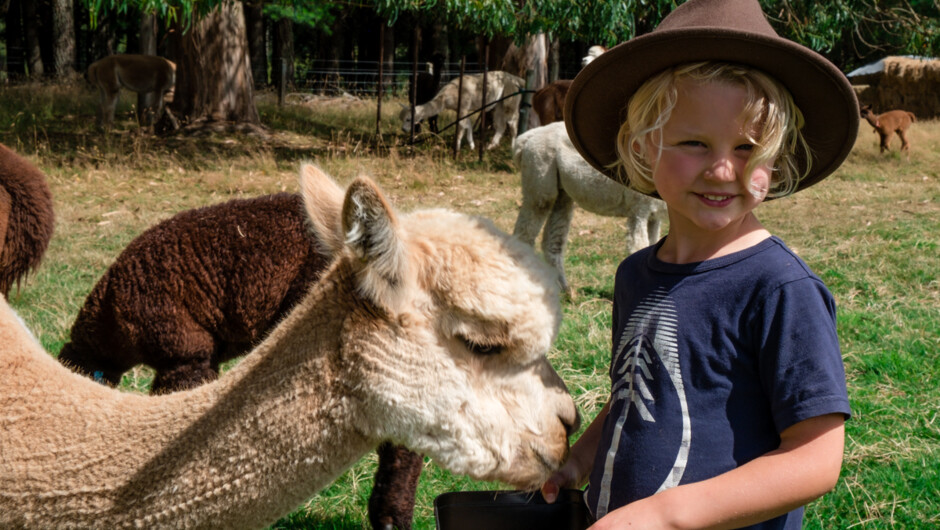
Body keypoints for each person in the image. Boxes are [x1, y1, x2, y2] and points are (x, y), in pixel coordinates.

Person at [541, 0, 857, 528]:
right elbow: (635, 398)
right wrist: (580, 460)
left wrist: (667, 514)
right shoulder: (635, 274)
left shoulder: (779, 288)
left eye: (748, 146)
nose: (722, 169)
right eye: (694, 142)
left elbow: (816, 459)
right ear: (644, 148)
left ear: (776, 160)